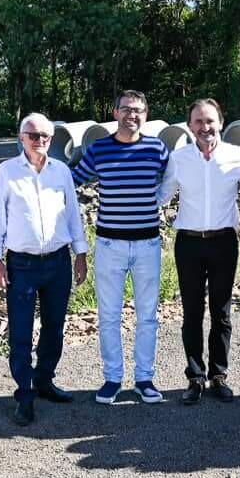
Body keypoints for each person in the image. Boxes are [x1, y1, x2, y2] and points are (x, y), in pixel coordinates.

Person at [72, 89, 171, 404]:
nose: (133, 114)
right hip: (110, 245)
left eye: (139, 110)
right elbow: (71, 180)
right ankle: (112, 378)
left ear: (146, 114)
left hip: (148, 245)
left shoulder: (157, 149)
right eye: (127, 109)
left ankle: (145, 378)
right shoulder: (99, 150)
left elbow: (171, 182)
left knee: (148, 316)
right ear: (115, 113)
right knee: (109, 315)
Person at [0, 113, 88, 425]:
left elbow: (73, 214)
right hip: (22, 264)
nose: (40, 141)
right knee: (20, 331)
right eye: (34, 135)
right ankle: (24, 393)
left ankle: (44, 380)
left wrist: (81, 252)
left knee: (54, 327)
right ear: (21, 138)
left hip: (58, 262)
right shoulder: (7, 172)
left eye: (45, 135)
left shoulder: (60, 171)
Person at [159, 98, 240, 403]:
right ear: (189, 126)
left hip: (224, 241)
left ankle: (219, 375)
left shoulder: (238, 157)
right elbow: (162, 194)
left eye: (210, 121)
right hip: (189, 243)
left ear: (221, 122)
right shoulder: (179, 157)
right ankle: (195, 377)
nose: (205, 127)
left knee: (221, 313)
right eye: (198, 121)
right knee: (192, 312)